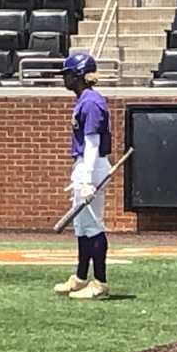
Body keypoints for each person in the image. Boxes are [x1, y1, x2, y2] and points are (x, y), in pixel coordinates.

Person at [53, 53, 112, 300]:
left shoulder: (90, 103)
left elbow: (92, 143)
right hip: (85, 166)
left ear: (77, 75)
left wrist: (87, 180)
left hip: (93, 165)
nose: (64, 79)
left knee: (92, 225)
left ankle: (99, 283)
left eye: (67, 74)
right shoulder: (84, 100)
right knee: (81, 225)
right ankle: (80, 277)